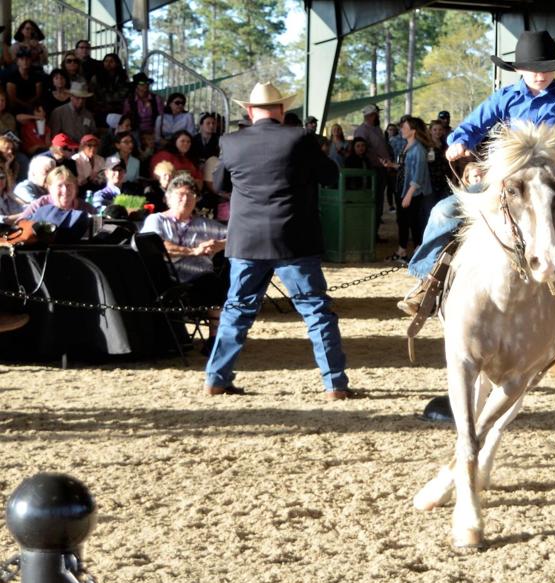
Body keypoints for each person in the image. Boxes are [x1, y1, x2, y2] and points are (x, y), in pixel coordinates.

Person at [396, 30, 555, 363]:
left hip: (550, 187)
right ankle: (426, 283)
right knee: (442, 213)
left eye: (546, 67)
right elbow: (471, 126)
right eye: (532, 67)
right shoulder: (504, 98)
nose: (540, 73)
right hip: (503, 185)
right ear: (519, 69)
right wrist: (458, 141)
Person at [203, 82, 357, 400]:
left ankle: (216, 379)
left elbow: (220, 184)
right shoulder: (300, 138)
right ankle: (334, 385)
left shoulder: (230, 142)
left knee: (236, 310)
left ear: (249, 110)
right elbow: (330, 176)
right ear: (282, 110)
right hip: (294, 241)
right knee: (316, 311)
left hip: (246, 241)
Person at [141, 172, 229, 310]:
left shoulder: (207, 225)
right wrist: (193, 251)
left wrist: (221, 244)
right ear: (168, 198)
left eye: (190, 195)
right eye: (180, 194)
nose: (185, 199)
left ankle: (214, 331)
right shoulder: (157, 220)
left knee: (214, 283)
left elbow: (237, 236)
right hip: (165, 282)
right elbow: (157, 246)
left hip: (199, 282)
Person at [350, 105, 396, 225]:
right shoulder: (362, 130)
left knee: (379, 198)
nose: (378, 116)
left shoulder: (377, 129)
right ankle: (370, 228)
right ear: (371, 116)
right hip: (372, 169)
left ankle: (375, 227)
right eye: (376, 114)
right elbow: (362, 150)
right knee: (374, 198)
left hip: (382, 168)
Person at [395, 115, 431, 262]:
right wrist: (392, 165)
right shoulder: (407, 146)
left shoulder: (419, 149)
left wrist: (409, 194)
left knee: (414, 222)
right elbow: (406, 167)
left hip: (413, 192)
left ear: (413, 130)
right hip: (402, 188)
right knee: (402, 221)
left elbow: (418, 175)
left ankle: (418, 253)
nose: (402, 129)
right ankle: (402, 251)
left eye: (405, 127)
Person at [25, 166, 89, 240]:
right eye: (60, 185)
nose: (65, 190)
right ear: (49, 188)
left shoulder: (85, 208)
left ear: (75, 188)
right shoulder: (39, 204)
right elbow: (21, 224)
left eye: (69, 185)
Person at [123, 73, 162, 141]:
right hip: (135, 129)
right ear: (136, 85)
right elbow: (126, 116)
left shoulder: (156, 99)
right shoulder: (129, 100)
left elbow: (160, 116)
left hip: (153, 129)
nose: (146, 85)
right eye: (142, 83)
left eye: (147, 82)